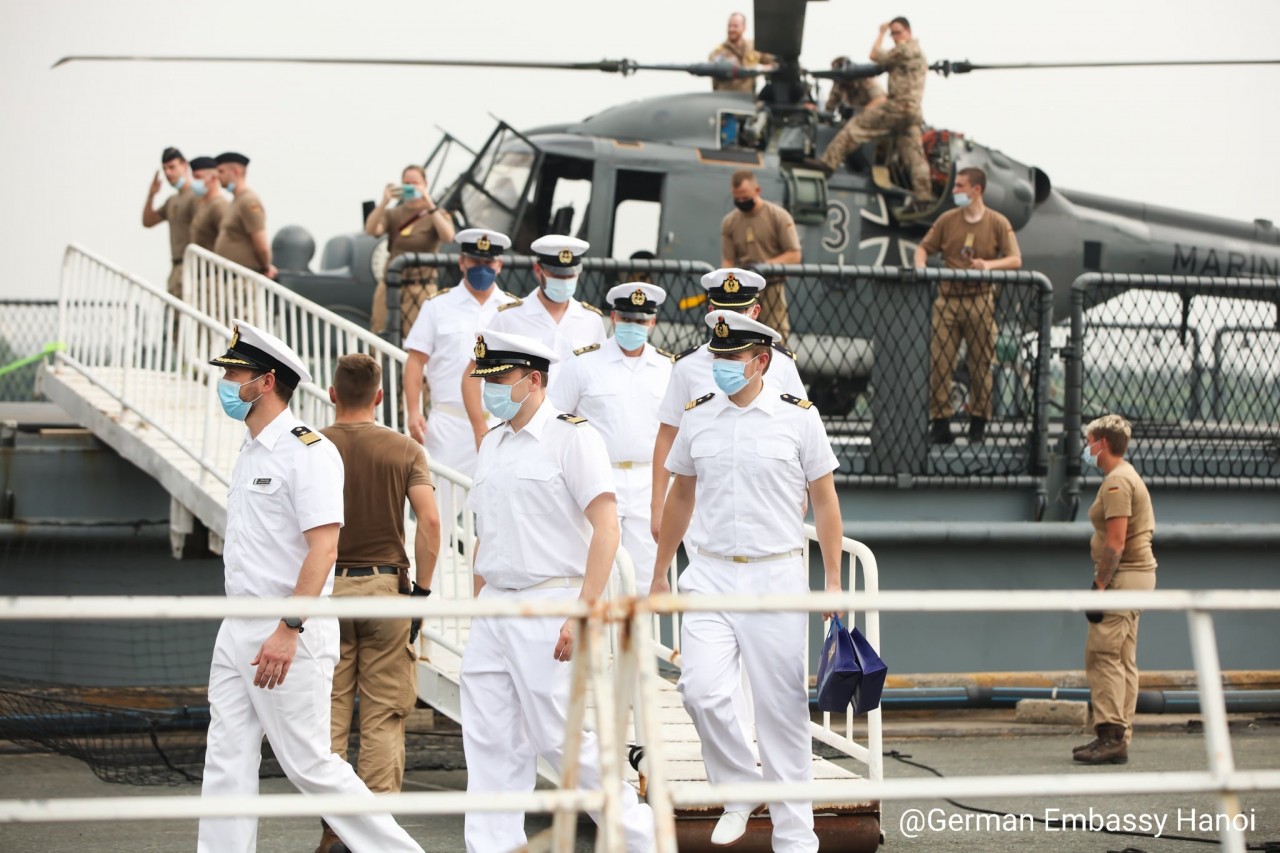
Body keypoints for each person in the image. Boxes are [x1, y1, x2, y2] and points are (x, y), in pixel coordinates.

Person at [199, 320, 421, 853]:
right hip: (238, 628)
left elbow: (324, 549)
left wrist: (288, 626)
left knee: (311, 765)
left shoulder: (309, 451)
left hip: (287, 631)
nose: (227, 382)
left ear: (266, 381)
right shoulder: (250, 450)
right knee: (226, 756)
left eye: (236, 373)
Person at [649, 311, 844, 851]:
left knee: (780, 713)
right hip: (708, 572)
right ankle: (739, 787)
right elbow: (680, 495)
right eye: (717, 357)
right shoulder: (698, 416)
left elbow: (825, 502)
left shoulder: (799, 419)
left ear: (761, 362)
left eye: (732, 358)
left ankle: (795, 839)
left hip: (775, 575)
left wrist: (831, 580)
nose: (721, 366)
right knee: (702, 692)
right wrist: (661, 574)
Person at [460, 329, 654, 852]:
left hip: (551, 600)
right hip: (495, 603)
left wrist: (583, 610)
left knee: (559, 739)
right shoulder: (492, 443)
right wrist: (478, 604)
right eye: (487, 379)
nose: (490, 390)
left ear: (534, 379)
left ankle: (642, 839)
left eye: (500, 379)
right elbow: (488, 534)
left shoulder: (574, 437)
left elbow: (607, 528)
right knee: (489, 740)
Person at [314, 353, 441, 853]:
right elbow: (430, 523)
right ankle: (371, 834)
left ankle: (331, 827)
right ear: (380, 397)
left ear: (331, 394)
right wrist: (422, 595)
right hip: (386, 593)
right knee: (384, 716)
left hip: (326, 593)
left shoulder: (311, 445)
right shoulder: (405, 449)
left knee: (328, 714)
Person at [649, 268, 805, 545]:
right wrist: (657, 504)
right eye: (723, 311)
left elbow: (801, 429)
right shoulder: (687, 366)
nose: (732, 319)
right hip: (707, 500)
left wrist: (802, 490)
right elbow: (667, 433)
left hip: (765, 494)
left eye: (740, 312)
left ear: (755, 312)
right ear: (712, 312)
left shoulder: (781, 363)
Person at [550, 283, 672, 593]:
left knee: (644, 577)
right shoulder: (583, 363)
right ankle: (600, 642)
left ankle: (636, 642)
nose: (634, 327)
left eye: (641, 321)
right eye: (628, 320)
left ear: (653, 322)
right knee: (599, 572)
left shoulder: (667, 368)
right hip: (598, 476)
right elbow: (555, 421)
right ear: (614, 317)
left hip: (649, 479)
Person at [403, 228, 517, 536]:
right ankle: (430, 582)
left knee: (502, 515)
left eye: (488, 262)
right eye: (475, 260)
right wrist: (413, 411)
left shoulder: (512, 310)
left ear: (500, 265)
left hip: (503, 424)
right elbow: (415, 361)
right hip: (450, 424)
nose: (483, 268)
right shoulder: (437, 306)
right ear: (462, 262)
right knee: (436, 514)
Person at [461, 234, 605, 448]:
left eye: (569, 275)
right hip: (520, 431)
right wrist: (480, 428)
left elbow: (597, 381)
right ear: (539, 271)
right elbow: (473, 375)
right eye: (556, 274)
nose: (563, 281)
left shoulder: (592, 320)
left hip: (571, 436)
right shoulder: (509, 316)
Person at [913, 166, 1022, 445]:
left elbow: (1014, 259)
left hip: (980, 301)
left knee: (981, 365)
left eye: (960, 186)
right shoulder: (948, 220)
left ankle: (978, 423)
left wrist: (989, 265)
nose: (955, 191)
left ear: (977, 190)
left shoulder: (997, 222)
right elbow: (923, 247)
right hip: (947, 300)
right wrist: (921, 266)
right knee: (940, 362)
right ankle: (940, 423)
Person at [1075, 414, 1157, 766]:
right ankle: (1119, 734)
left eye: (1089, 440)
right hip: (1137, 577)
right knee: (1123, 658)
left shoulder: (1116, 483)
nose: (1086, 447)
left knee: (1103, 654)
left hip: (1124, 577)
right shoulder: (1124, 476)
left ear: (1101, 443)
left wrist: (1099, 588)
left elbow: (1116, 543)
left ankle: (1110, 736)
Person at [815, 17, 933, 207]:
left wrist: (881, 32)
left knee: (855, 127)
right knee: (915, 156)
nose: (895, 37)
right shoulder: (919, 53)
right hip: (913, 112)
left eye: (898, 32)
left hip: (897, 106)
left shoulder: (904, 49)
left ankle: (827, 165)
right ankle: (923, 198)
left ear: (909, 32)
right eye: (892, 34)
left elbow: (874, 55)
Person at [365, 165, 456, 338]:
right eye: (406, 183)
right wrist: (384, 201)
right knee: (380, 334)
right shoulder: (393, 214)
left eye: (415, 183)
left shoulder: (436, 214)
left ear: (425, 184)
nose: (410, 187)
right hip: (391, 284)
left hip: (420, 286)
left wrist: (429, 204)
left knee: (418, 339)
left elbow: (448, 236)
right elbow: (371, 230)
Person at [720, 172, 802, 342]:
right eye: (738, 199)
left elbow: (794, 255)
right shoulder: (729, 222)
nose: (742, 202)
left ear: (757, 190)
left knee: (777, 338)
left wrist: (763, 266)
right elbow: (727, 261)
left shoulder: (778, 216)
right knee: (739, 338)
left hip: (771, 286)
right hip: (742, 291)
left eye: (745, 197)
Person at [141, 147, 197, 297]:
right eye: (165, 169)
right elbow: (148, 221)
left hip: (193, 265)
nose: (168, 173)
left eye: (172, 167)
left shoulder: (196, 196)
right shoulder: (172, 200)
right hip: (176, 266)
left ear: (184, 165)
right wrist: (151, 195)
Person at [213, 152, 277, 279]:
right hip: (230, 277)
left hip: (243, 278)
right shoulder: (236, 201)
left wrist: (266, 266)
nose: (217, 176)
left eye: (221, 171)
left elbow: (261, 244)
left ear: (235, 171)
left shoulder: (248, 201)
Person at [709, 11, 774, 94]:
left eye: (735, 26)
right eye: (729, 26)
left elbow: (773, 61)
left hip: (748, 99)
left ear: (744, 27)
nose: (731, 29)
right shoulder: (719, 52)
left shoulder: (753, 47)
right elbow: (714, 63)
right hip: (726, 99)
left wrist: (762, 69)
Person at [188, 156, 230, 252]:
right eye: (193, 177)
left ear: (214, 178)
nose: (195, 182)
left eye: (198, 177)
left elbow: (228, 239)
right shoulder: (203, 205)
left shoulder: (219, 206)